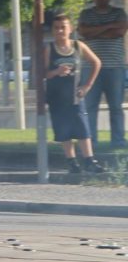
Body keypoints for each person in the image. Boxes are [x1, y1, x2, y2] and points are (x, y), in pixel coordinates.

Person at [45, 14, 106, 174]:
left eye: (63, 27)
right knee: (63, 130)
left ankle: (89, 160)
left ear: (70, 29)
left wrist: (87, 85)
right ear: (52, 30)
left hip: (75, 95)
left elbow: (96, 62)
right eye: (56, 28)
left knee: (82, 128)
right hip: (57, 96)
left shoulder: (78, 46)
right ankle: (71, 162)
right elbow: (43, 73)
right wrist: (56, 71)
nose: (60, 31)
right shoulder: (49, 49)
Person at [77, 0, 127, 148]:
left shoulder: (119, 13)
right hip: (89, 68)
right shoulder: (86, 14)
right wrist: (108, 28)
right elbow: (83, 32)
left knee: (116, 107)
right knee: (90, 106)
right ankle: (91, 141)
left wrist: (95, 31)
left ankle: (118, 141)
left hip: (115, 67)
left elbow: (120, 31)